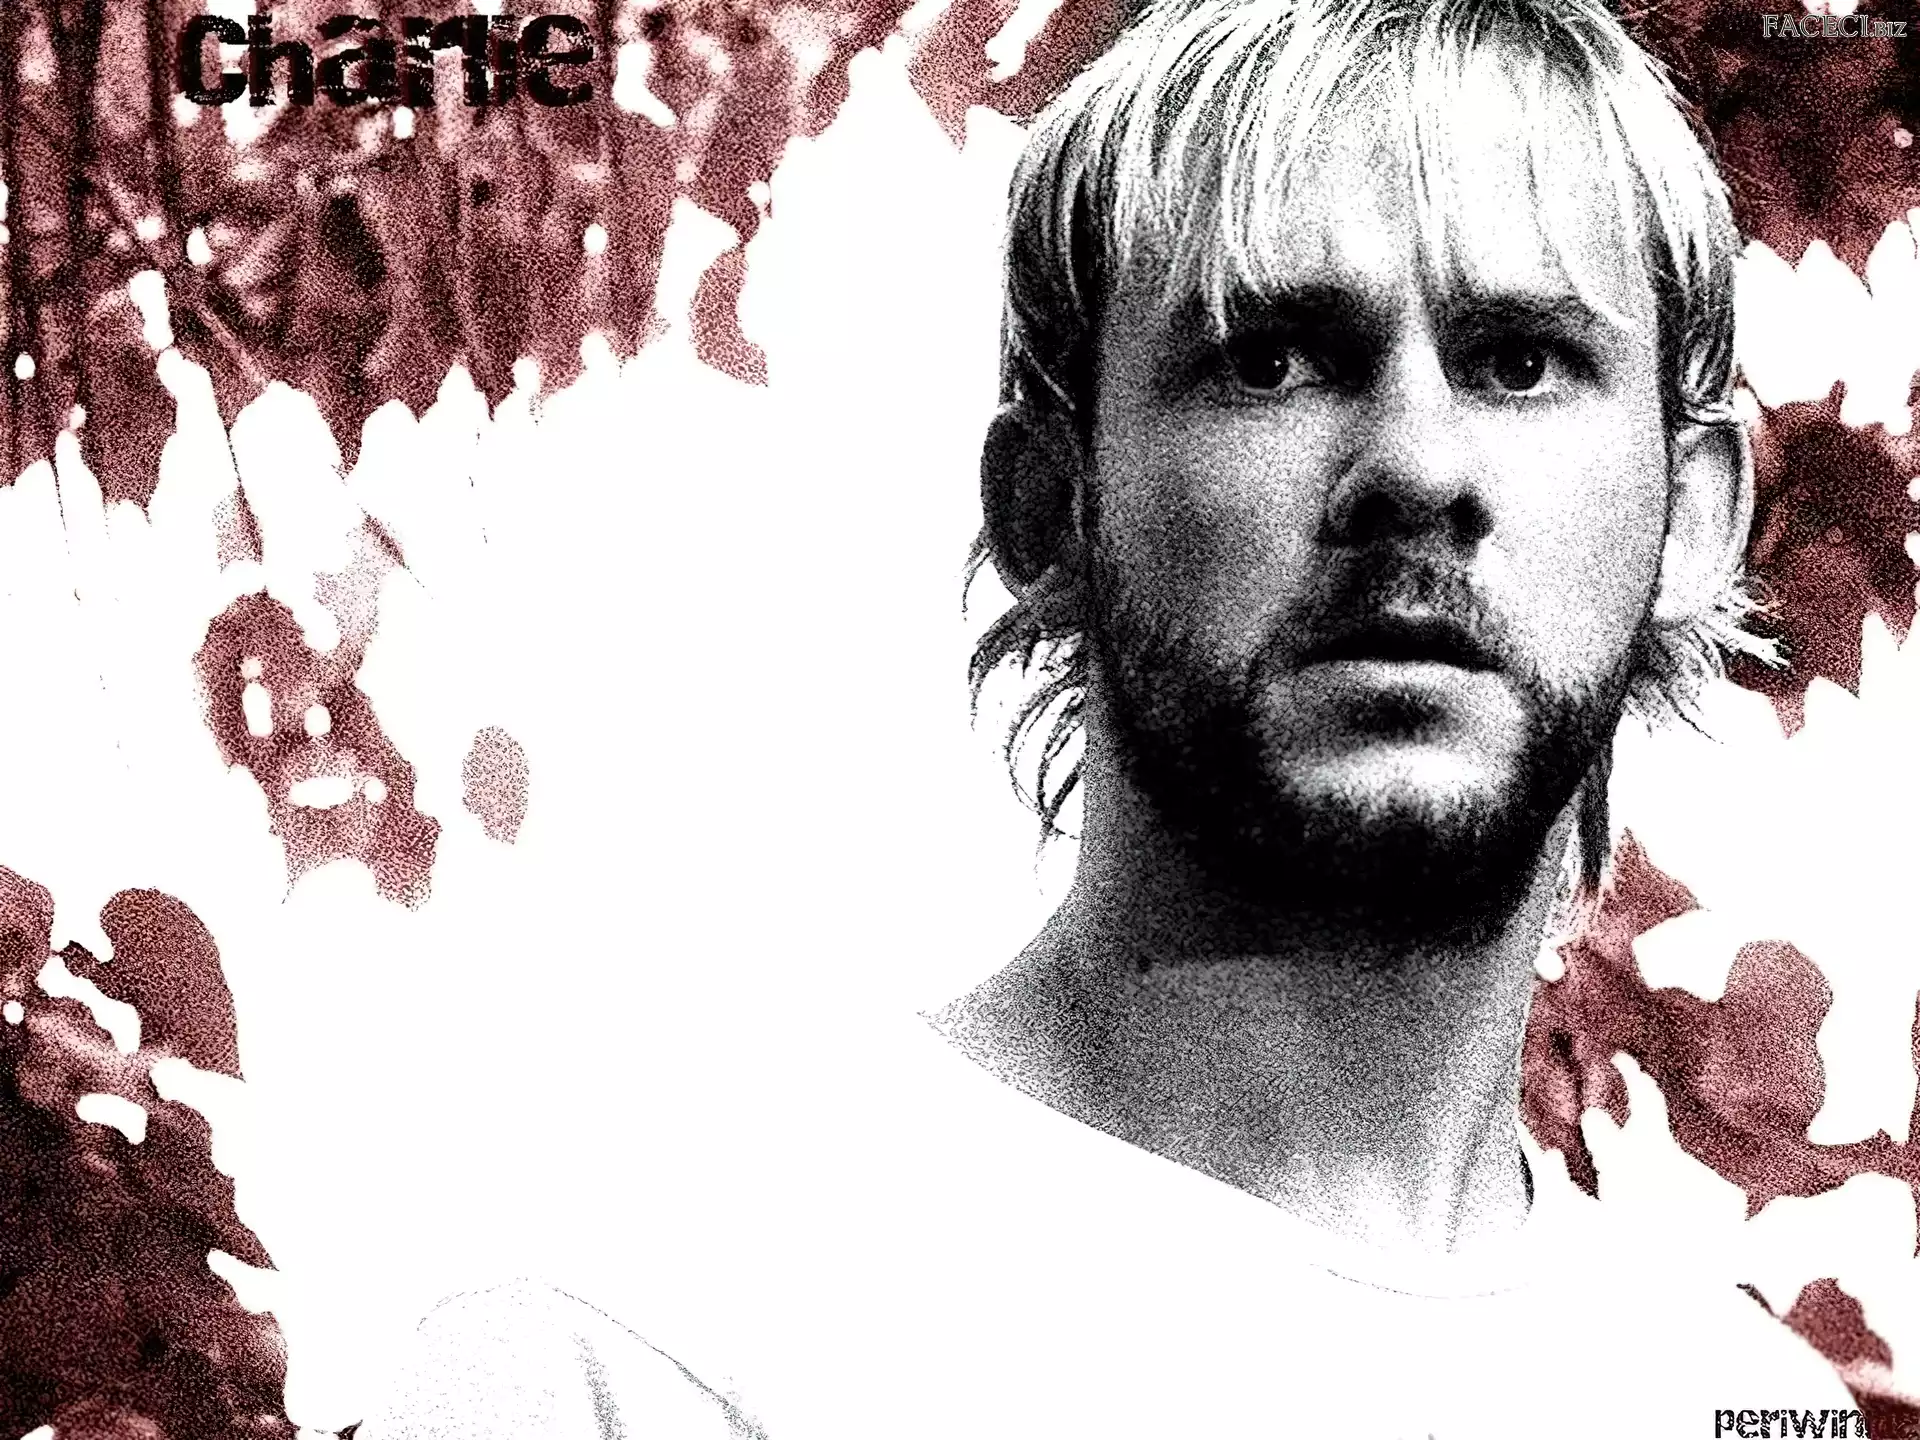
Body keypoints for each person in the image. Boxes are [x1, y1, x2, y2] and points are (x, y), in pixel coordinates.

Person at [358, 0, 1863, 1434]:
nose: (1416, 468)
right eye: (1270, 361)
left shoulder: (1739, 1404)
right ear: (1049, 507)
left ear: (1695, 517)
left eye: (1522, 363)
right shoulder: (638, 1347)